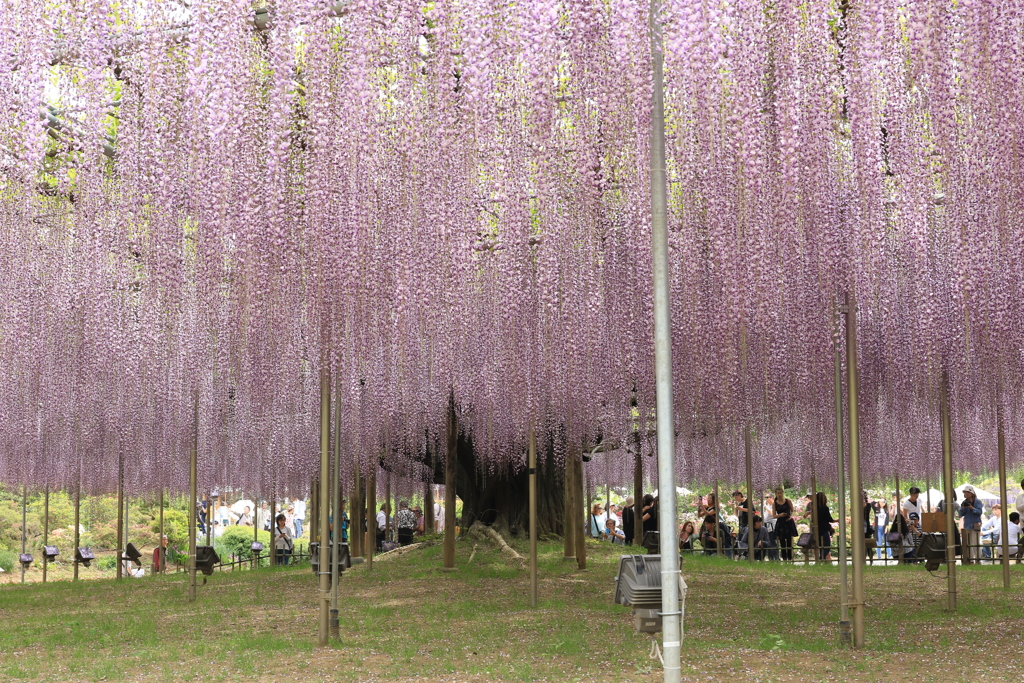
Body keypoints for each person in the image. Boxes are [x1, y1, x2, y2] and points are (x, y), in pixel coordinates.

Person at [960, 485, 984, 565]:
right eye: (965, 492)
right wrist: (962, 508)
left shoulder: (977, 502)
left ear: (971, 493)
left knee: (976, 542)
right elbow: (961, 514)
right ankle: (970, 560)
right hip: (967, 525)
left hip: (975, 524)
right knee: (968, 543)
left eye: (967, 492)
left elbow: (979, 512)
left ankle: (978, 559)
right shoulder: (964, 502)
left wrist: (972, 508)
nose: (966, 493)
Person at [773, 487, 797, 561]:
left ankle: (790, 558)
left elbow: (793, 511)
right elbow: (774, 515)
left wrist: (791, 516)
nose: (779, 494)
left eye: (780, 493)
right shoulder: (775, 503)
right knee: (782, 542)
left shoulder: (787, 501)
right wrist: (780, 515)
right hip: (781, 522)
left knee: (789, 541)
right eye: (777, 493)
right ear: (776, 494)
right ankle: (784, 558)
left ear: (783, 493)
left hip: (788, 521)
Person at [816, 492, 836, 561]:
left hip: (816, 529)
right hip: (824, 528)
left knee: (820, 545)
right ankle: (822, 558)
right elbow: (829, 519)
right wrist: (837, 520)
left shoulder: (815, 508)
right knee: (826, 546)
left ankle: (821, 558)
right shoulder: (824, 508)